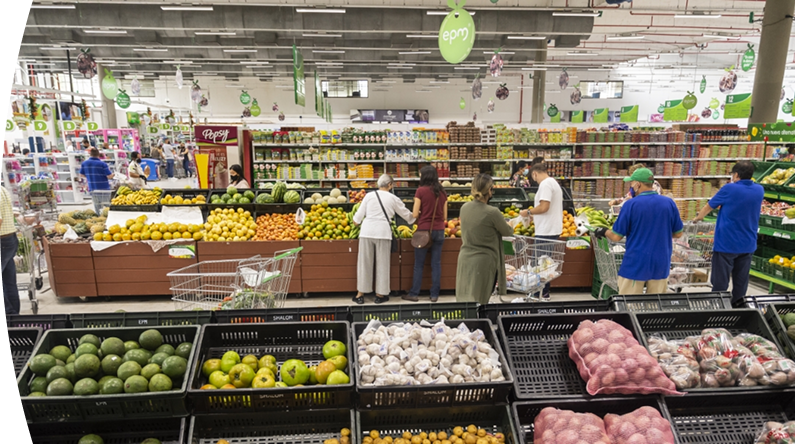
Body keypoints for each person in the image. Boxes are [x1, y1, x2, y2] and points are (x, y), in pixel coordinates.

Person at [593, 168, 684, 295]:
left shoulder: (631, 205)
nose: (630, 186)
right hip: (661, 262)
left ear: (638, 184)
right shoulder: (669, 203)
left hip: (636, 263)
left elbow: (616, 237)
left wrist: (603, 231)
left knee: (629, 305)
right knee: (655, 306)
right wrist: (660, 232)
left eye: (631, 183)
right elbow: (678, 233)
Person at [693, 161, 764, 303]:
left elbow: (709, 206)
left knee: (720, 282)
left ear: (736, 175)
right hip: (747, 244)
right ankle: (738, 308)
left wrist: (698, 218)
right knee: (741, 282)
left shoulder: (729, 189)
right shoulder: (759, 190)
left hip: (727, 243)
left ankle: (718, 309)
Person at [352, 174, 415, 305]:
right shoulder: (393, 198)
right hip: (383, 232)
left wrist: (358, 221)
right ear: (390, 185)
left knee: (364, 264)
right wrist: (417, 215)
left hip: (367, 232)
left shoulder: (369, 196)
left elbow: (356, 220)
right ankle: (380, 295)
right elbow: (407, 216)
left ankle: (360, 295)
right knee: (382, 264)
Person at [456, 174, 514, 304]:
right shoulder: (492, 212)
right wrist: (510, 224)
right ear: (489, 190)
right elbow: (507, 231)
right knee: (480, 301)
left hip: (465, 259)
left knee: (464, 301)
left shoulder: (464, 207)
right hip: (483, 262)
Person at [404, 166, 448, 303]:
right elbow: (445, 216)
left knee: (419, 264)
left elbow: (415, 214)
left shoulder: (420, 191)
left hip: (423, 231)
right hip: (440, 231)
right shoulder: (442, 192)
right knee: (436, 264)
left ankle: (414, 293)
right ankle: (434, 295)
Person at [520, 162, 563, 300]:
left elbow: (544, 207)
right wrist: (534, 216)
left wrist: (527, 212)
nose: (535, 180)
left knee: (539, 265)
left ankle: (540, 293)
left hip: (546, 230)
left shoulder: (545, 184)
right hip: (550, 228)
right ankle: (542, 292)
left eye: (534, 178)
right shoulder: (553, 182)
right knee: (544, 263)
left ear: (534, 173)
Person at [0, 186, 20, 315]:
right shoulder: (2, 189)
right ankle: (14, 318)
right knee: (9, 282)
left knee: (8, 282)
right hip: (9, 239)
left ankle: (9, 315)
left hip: (1, 240)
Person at [79, 148, 114, 214]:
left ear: (90, 154)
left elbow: (81, 175)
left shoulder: (84, 163)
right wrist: (113, 175)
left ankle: (99, 219)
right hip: (104, 189)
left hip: (93, 188)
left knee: (97, 207)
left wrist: (90, 176)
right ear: (98, 154)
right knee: (107, 207)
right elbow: (109, 176)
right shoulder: (102, 164)